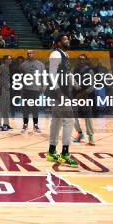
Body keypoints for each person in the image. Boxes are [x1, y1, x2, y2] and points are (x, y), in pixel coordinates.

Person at [47, 34, 79, 167]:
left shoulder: (65, 55)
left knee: (57, 121)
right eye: (65, 39)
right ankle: (65, 154)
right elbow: (52, 74)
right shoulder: (55, 54)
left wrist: (76, 84)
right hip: (59, 93)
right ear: (58, 43)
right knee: (69, 120)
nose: (68, 40)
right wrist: (59, 92)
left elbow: (68, 73)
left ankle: (51, 152)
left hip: (63, 92)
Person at [72, 54, 96, 145]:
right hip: (75, 95)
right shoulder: (74, 70)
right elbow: (71, 81)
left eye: (83, 59)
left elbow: (92, 85)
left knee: (88, 116)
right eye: (80, 59)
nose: (81, 61)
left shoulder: (90, 71)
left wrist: (84, 93)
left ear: (86, 60)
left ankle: (91, 135)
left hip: (86, 96)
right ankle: (79, 133)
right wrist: (76, 90)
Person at [20, 49, 44, 134]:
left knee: (35, 108)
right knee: (25, 108)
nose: (30, 54)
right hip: (26, 90)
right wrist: (21, 88)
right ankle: (25, 124)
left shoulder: (40, 64)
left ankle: (36, 125)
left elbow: (43, 77)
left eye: (31, 53)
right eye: (28, 53)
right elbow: (21, 78)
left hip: (36, 90)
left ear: (34, 54)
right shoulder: (23, 65)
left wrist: (43, 87)